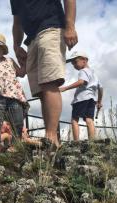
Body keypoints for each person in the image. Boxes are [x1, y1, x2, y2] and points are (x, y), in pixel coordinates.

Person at [10, 0, 78, 147]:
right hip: (31, 39)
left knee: (49, 83)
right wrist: (16, 46)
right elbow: (17, 22)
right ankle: (51, 139)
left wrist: (70, 25)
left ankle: (51, 136)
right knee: (41, 91)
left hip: (51, 27)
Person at [60, 51, 103, 140]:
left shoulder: (83, 71)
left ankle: (76, 142)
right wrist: (99, 101)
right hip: (92, 99)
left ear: (84, 60)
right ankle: (92, 141)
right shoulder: (94, 74)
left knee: (74, 119)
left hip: (81, 98)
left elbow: (82, 82)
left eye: (75, 62)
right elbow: (101, 88)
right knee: (89, 119)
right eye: (72, 64)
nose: (74, 65)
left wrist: (65, 88)